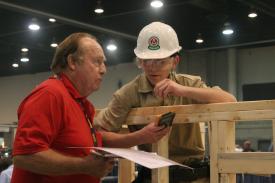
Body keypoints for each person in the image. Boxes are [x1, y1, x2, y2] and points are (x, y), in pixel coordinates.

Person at [11, 32, 169, 183]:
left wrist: (142, 136)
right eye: (97, 62)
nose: (103, 69)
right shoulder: (50, 95)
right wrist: (84, 166)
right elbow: (25, 156)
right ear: (72, 62)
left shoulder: (81, 103)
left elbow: (96, 139)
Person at [95, 22, 237, 183]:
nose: (152, 67)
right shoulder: (128, 93)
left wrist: (182, 90)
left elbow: (229, 100)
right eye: (146, 61)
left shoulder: (188, 84)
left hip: (194, 174)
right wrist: (139, 137)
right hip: (154, 175)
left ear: (174, 61)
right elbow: (100, 135)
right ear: (140, 61)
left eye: (160, 61)